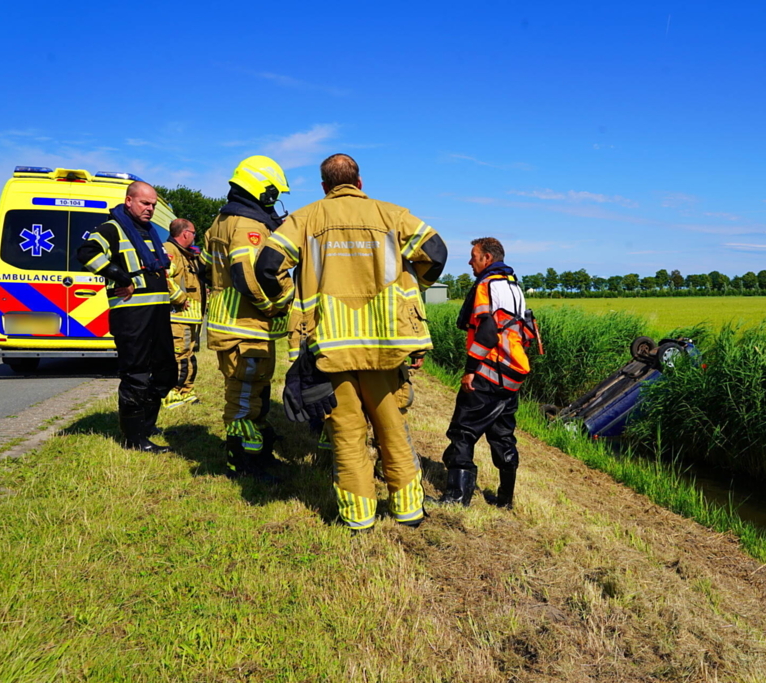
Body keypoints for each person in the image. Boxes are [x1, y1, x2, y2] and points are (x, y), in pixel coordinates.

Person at [253, 153, 447, 530]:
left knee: (346, 433)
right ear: (359, 183)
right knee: (391, 428)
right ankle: (407, 510)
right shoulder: (392, 214)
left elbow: (266, 265)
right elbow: (436, 252)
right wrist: (415, 286)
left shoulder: (305, 218)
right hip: (384, 347)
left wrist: (287, 295)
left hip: (329, 347)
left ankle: (358, 517)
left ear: (325, 187)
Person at [202, 156, 291, 481]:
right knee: (244, 398)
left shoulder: (220, 220)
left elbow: (212, 267)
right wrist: (274, 304)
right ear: (261, 189)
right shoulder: (248, 226)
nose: (274, 201)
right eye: (273, 193)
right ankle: (242, 463)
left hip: (234, 322)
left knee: (255, 392)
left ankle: (259, 454)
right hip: (246, 325)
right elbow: (246, 274)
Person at [76, 181, 177, 453]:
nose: (150, 209)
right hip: (131, 316)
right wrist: (120, 277)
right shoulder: (112, 228)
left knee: (167, 372)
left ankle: (145, 425)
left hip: (157, 314)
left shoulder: (148, 232)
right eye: (145, 203)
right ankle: (135, 439)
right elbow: (86, 253)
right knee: (137, 376)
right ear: (129, 201)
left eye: (153, 204)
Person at [439, 237, 530, 509]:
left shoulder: (486, 286)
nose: (470, 261)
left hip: (488, 373)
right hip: (512, 374)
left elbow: (488, 333)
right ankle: (505, 500)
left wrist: (470, 371)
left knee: (462, 433)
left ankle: (456, 499)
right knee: (503, 436)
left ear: (487, 258)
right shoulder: (514, 287)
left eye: (473, 256)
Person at [162, 218, 206, 408]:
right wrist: (180, 298)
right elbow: (163, 277)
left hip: (191, 318)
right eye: (194, 233)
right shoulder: (169, 251)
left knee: (189, 355)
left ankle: (187, 390)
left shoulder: (188, 254)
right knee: (178, 355)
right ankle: (172, 393)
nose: (195, 237)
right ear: (185, 233)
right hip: (177, 316)